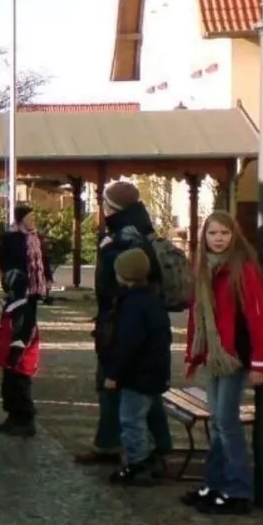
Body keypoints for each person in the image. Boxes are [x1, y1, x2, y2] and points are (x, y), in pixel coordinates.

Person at [180, 210, 263, 515]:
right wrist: (193, 355)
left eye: (224, 233)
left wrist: (261, 363)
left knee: (226, 422)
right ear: (204, 237)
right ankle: (215, 484)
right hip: (214, 356)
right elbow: (197, 316)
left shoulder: (243, 269)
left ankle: (237, 489)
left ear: (234, 236)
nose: (218, 239)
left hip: (233, 358)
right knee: (218, 422)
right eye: (212, 233)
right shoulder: (204, 269)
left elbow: (260, 318)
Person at [80, 181, 174, 464]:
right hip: (128, 317)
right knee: (141, 385)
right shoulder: (139, 229)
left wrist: (107, 250)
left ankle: (125, 447)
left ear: (113, 207)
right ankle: (149, 444)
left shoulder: (125, 237)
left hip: (123, 319)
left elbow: (122, 280)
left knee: (120, 382)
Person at [102, 247, 171, 486]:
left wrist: (113, 374)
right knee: (143, 414)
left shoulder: (132, 305)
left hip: (138, 374)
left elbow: (127, 344)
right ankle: (150, 453)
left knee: (131, 419)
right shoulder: (152, 299)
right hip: (153, 371)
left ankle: (137, 462)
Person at [0, 267, 40, 437]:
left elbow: (22, 334)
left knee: (20, 388)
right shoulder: (14, 306)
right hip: (10, 356)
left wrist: (16, 353)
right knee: (8, 388)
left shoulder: (22, 309)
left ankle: (26, 421)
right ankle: (13, 417)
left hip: (20, 358)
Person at [0, 204, 51, 302]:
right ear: (22, 219)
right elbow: (2, 261)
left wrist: (48, 278)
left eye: (33, 217)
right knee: (20, 314)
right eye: (30, 217)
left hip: (34, 286)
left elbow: (44, 258)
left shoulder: (36, 236)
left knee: (31, 314)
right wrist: (7, 280)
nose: (33, 220)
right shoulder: (10, 237)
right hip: (17, 284)